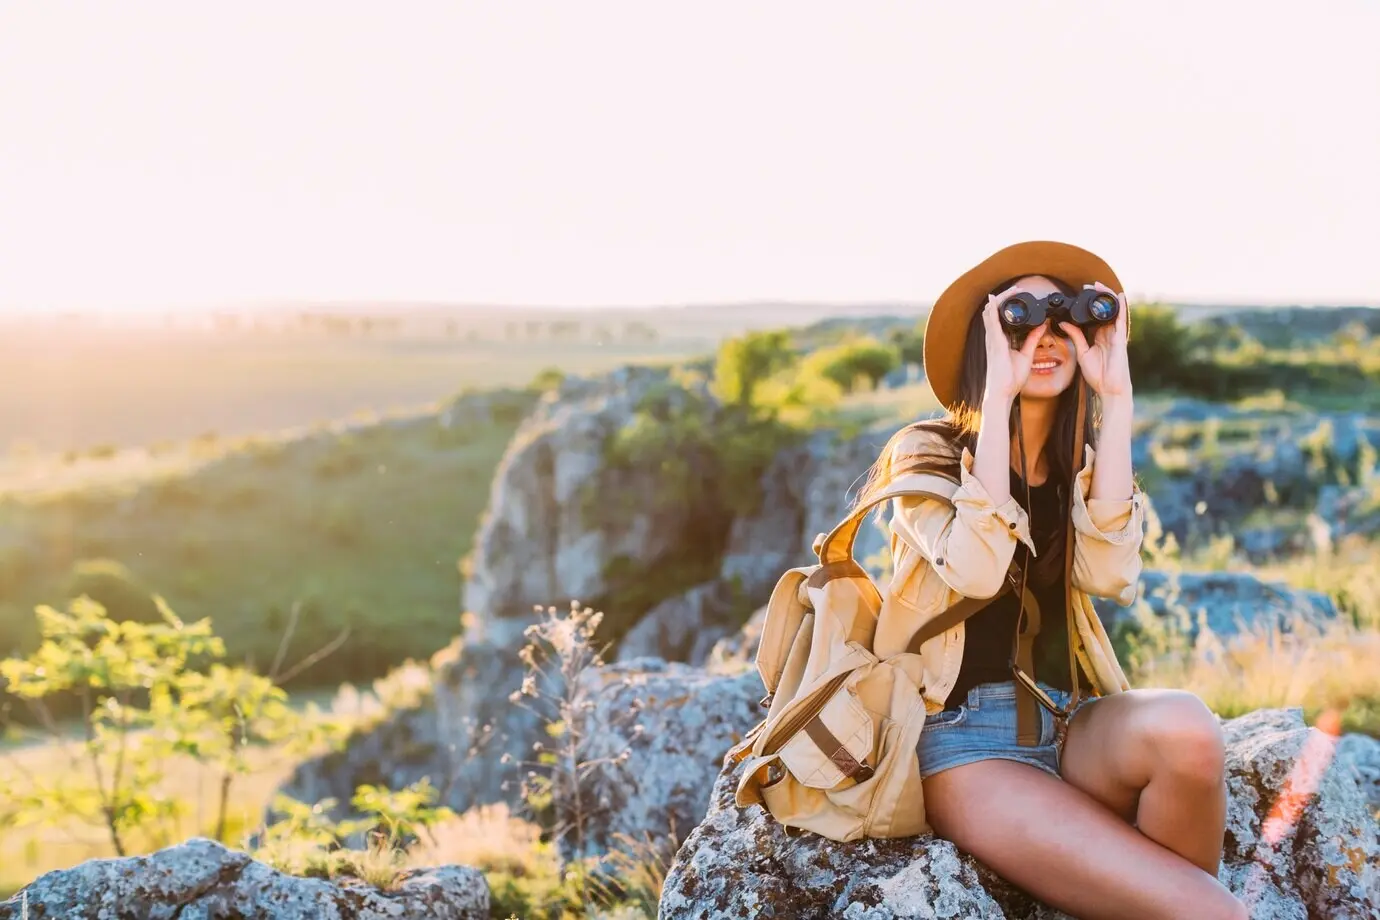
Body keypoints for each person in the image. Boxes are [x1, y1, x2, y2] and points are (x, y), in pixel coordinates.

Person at [854, 241, 1248, 920]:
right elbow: (974, 570)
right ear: (986, 343)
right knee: (1212, 911)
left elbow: (1112, 575)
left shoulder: (1076, 463)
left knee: (1187, 724)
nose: (1045, 336)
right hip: (961, 744)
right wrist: (999, 400)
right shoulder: (925, 454)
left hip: (1068, 726)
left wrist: (1116, 400)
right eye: (1018, 319)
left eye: (1063, 317)